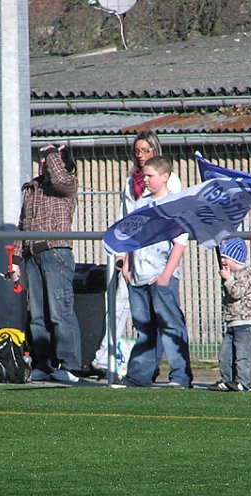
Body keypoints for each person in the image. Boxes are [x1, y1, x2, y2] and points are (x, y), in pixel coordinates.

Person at [81, 130, 182, 380]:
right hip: (135, 260)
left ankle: (178, 373)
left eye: (146, 150)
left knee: (165, 319)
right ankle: (108, 359)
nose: (140, 155)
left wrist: (166, 271)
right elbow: (126, 221)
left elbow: (176, 229)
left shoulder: (171, 182)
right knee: (129, 312)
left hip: (158, 262)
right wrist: (122, 254)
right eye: (137, 151)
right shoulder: (132, 183)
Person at [119, 156, 193, 388]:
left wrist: (165, 276)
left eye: (150, 176)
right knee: (144, 328)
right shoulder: (141, 203)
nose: (146, 180)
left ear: (164, 177)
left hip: (160, 278)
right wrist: (128, 267)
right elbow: (132, 238)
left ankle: (180, 376)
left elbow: (180, 243)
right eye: (145, 176)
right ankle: (138, 375)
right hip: (138, 277)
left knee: (170, 326)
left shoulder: (173, 206)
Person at [11, 143, 82, 383]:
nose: (44, 162)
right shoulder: (32, 188)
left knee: (60, 313)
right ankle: (43, 364)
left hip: (56, 253)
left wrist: (53, 153)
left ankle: (70, 366)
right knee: (37, 316)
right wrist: (16, 261)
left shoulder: (67, 183)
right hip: (33, 257)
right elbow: (23, 225)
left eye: (49, 159)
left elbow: (60, 178)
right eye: (42, 158)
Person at [207, 237, 251, 392]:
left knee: (242, 355)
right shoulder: (233, 275)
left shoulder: (247, 274)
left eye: (225, 258)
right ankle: (227, 379)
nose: (222, 261)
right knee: (226, 355)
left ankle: (242, 382)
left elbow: (237, 292)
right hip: (233, 322)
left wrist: (228, 279)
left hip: (246, 323)